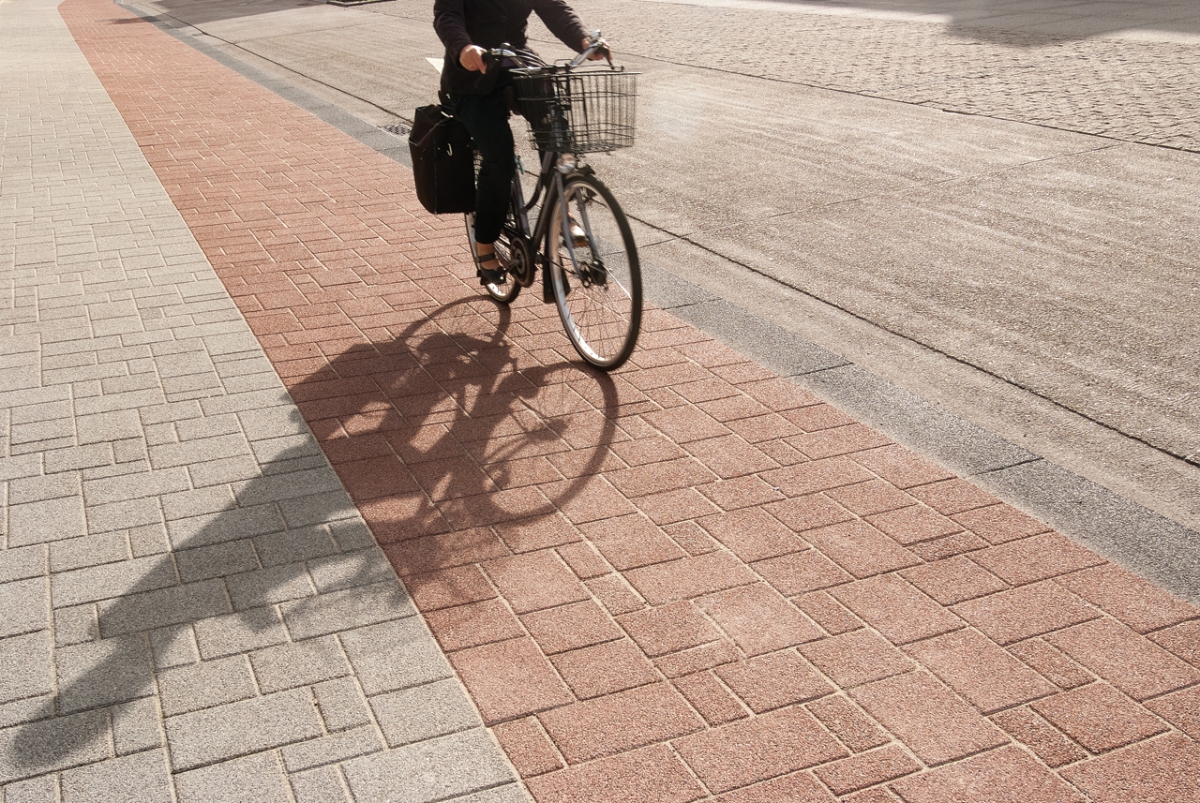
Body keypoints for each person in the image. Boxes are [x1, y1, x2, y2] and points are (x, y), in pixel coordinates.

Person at [433, 0, 602, 285]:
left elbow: (554, 8)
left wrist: (584, 40)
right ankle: (485, 244)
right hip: (472, 75)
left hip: (519, 64)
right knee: (500, 160)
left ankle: (564, 213)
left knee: (556, 132)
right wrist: (463, 47)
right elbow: (446, 15)